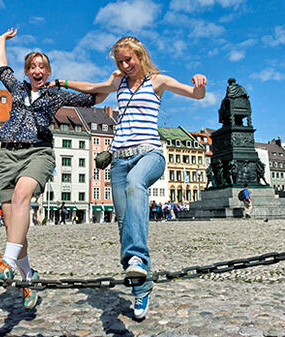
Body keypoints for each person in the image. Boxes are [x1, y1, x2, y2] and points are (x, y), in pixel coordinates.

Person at [53, 36, 207, 319]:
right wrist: (62, 83)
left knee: (138, 184)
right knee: (125, 224)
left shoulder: (157, 81)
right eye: (120, 61)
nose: (125, 65)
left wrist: (200, 84)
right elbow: (91, 87)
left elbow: (194, 95)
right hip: (120, 160)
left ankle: (137, 258)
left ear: (140, 56)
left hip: (149, 155)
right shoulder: (119, 83)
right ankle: (140, 286)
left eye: (129, 60)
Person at [0, 28, 107, 310]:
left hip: (38, 151)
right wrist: (1, 39)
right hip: (7, 154)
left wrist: (67, 82)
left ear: (48, 72)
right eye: (33, 66)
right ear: (27, 71)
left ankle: (6, 263)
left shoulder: (56, 95)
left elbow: (98, 96)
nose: (37, 70)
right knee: (13, 226)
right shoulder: (17, 88)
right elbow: (2, 67)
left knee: (23, 195)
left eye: (42, 66)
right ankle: (28, 277)